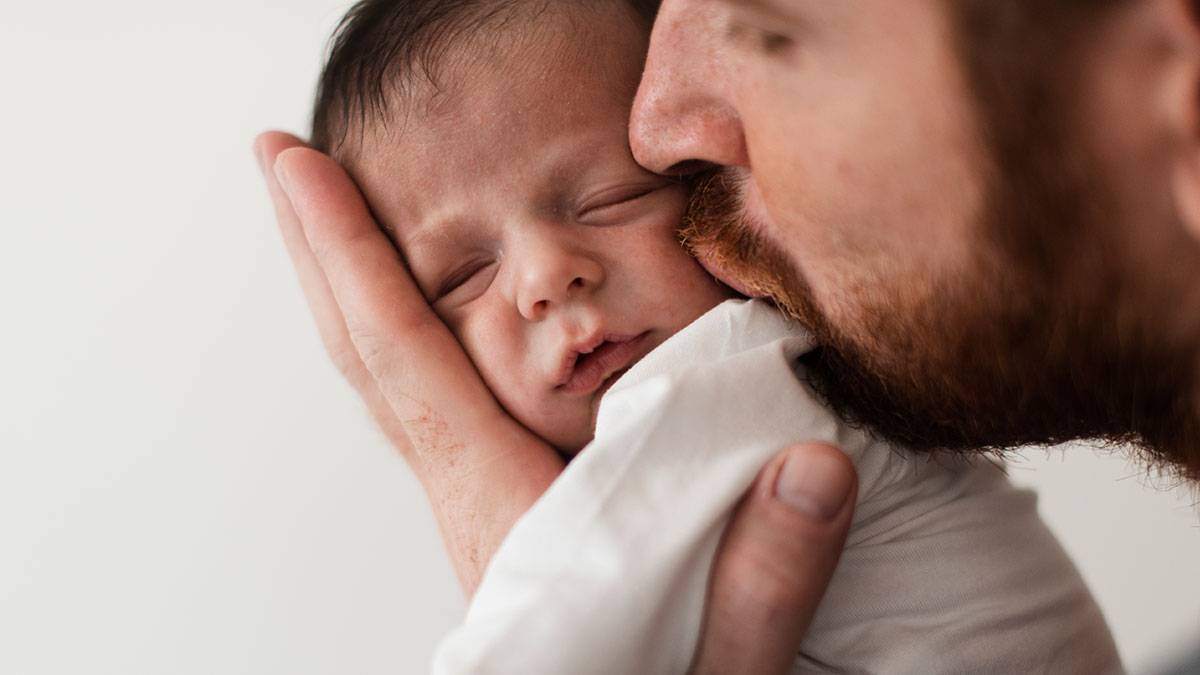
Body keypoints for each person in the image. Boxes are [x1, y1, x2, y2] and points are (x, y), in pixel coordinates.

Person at [254, 0, 1200, 670]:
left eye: (612, 196)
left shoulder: (735, 370)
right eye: (462, 278)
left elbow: (565, 630)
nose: (543, 279)